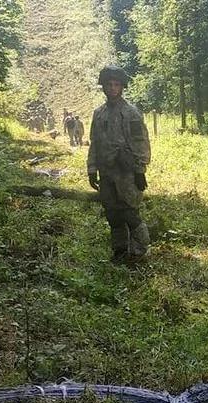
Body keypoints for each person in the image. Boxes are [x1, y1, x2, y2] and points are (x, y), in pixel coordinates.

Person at [87, 65, 152, 264]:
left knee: (130, 213)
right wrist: (91, 169)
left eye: (116, 84)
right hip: (106, 173)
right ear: (104, 87)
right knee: (113, 215)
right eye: (109, 84)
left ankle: (140, 252)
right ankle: (120, 250)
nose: (113, 88)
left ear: (122, 87)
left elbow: (141, 142)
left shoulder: (131, 113)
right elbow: (94, 143)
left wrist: (140, 170)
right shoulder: (99, 114)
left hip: (127, 173)